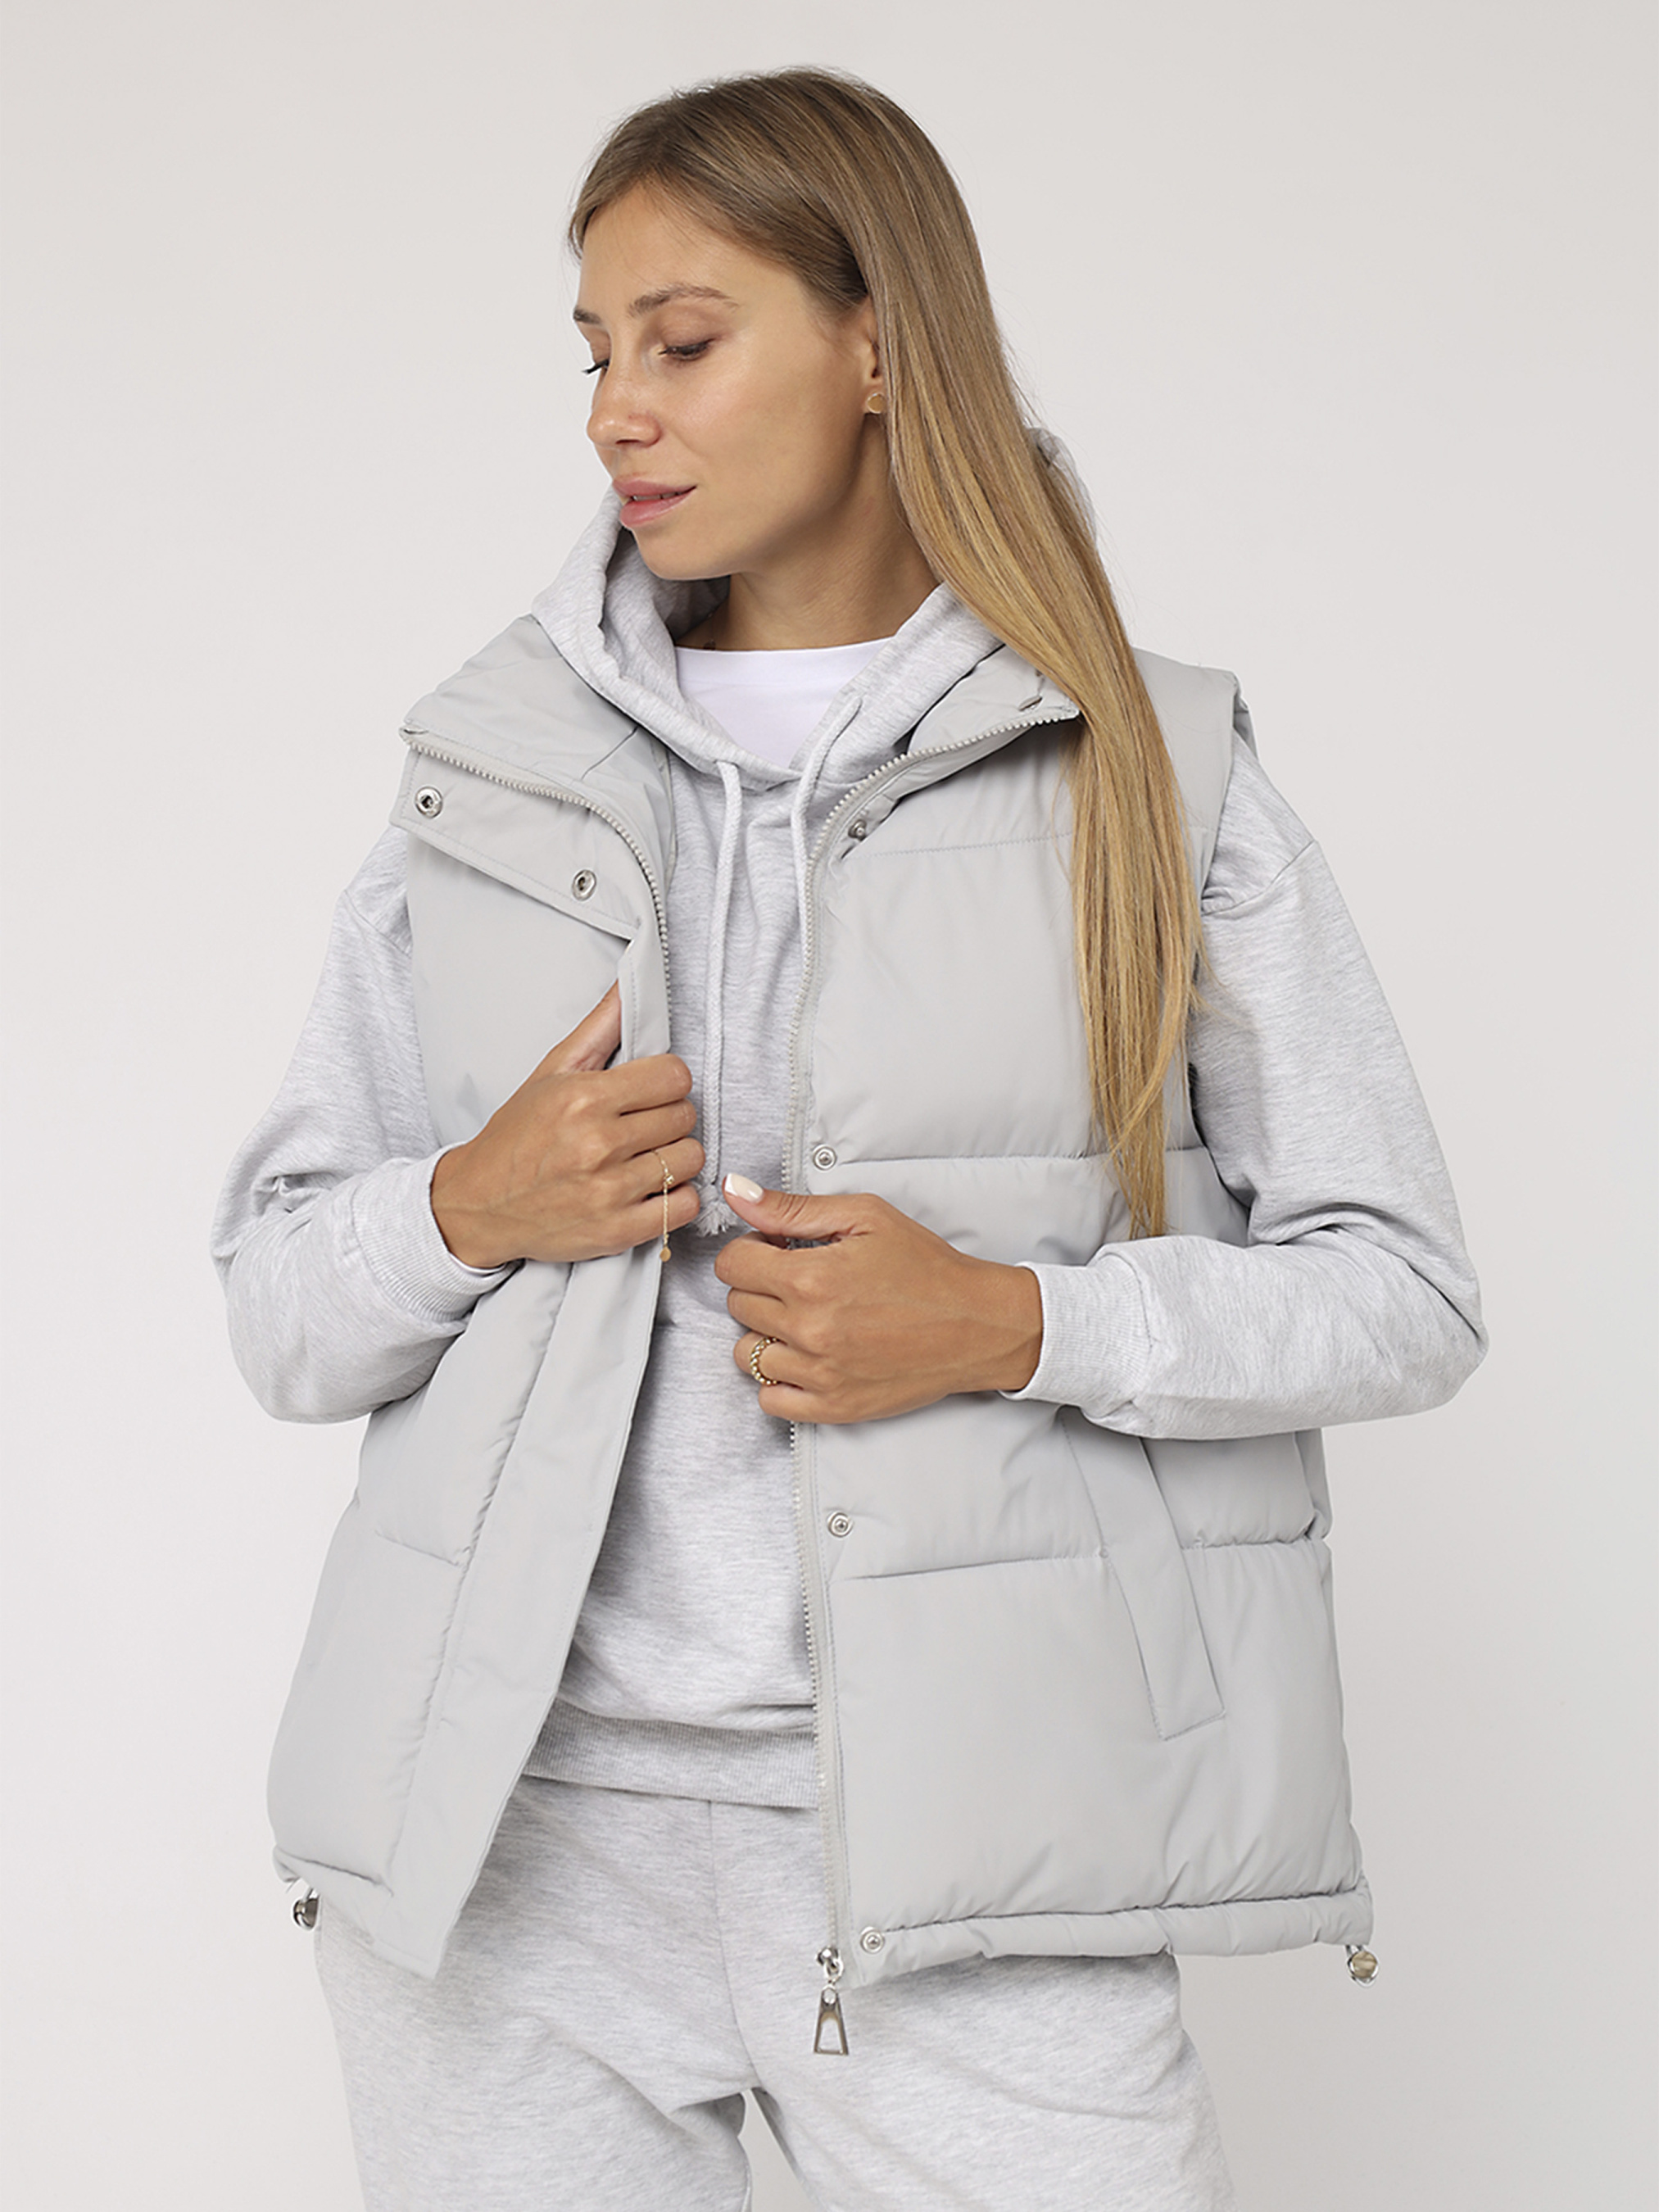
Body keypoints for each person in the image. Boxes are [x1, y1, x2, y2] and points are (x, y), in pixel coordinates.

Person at [212, 66, 1484, 2212]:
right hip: (508, 1864)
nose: (618, 412)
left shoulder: (1145, 773)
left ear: (878, 344)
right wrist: (465, 1208)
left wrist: (1013, 1323)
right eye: (594, 356)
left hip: (985, 1854)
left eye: (684, 341)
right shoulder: (489, 776)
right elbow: (276, 1306)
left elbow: (1402, 1293)